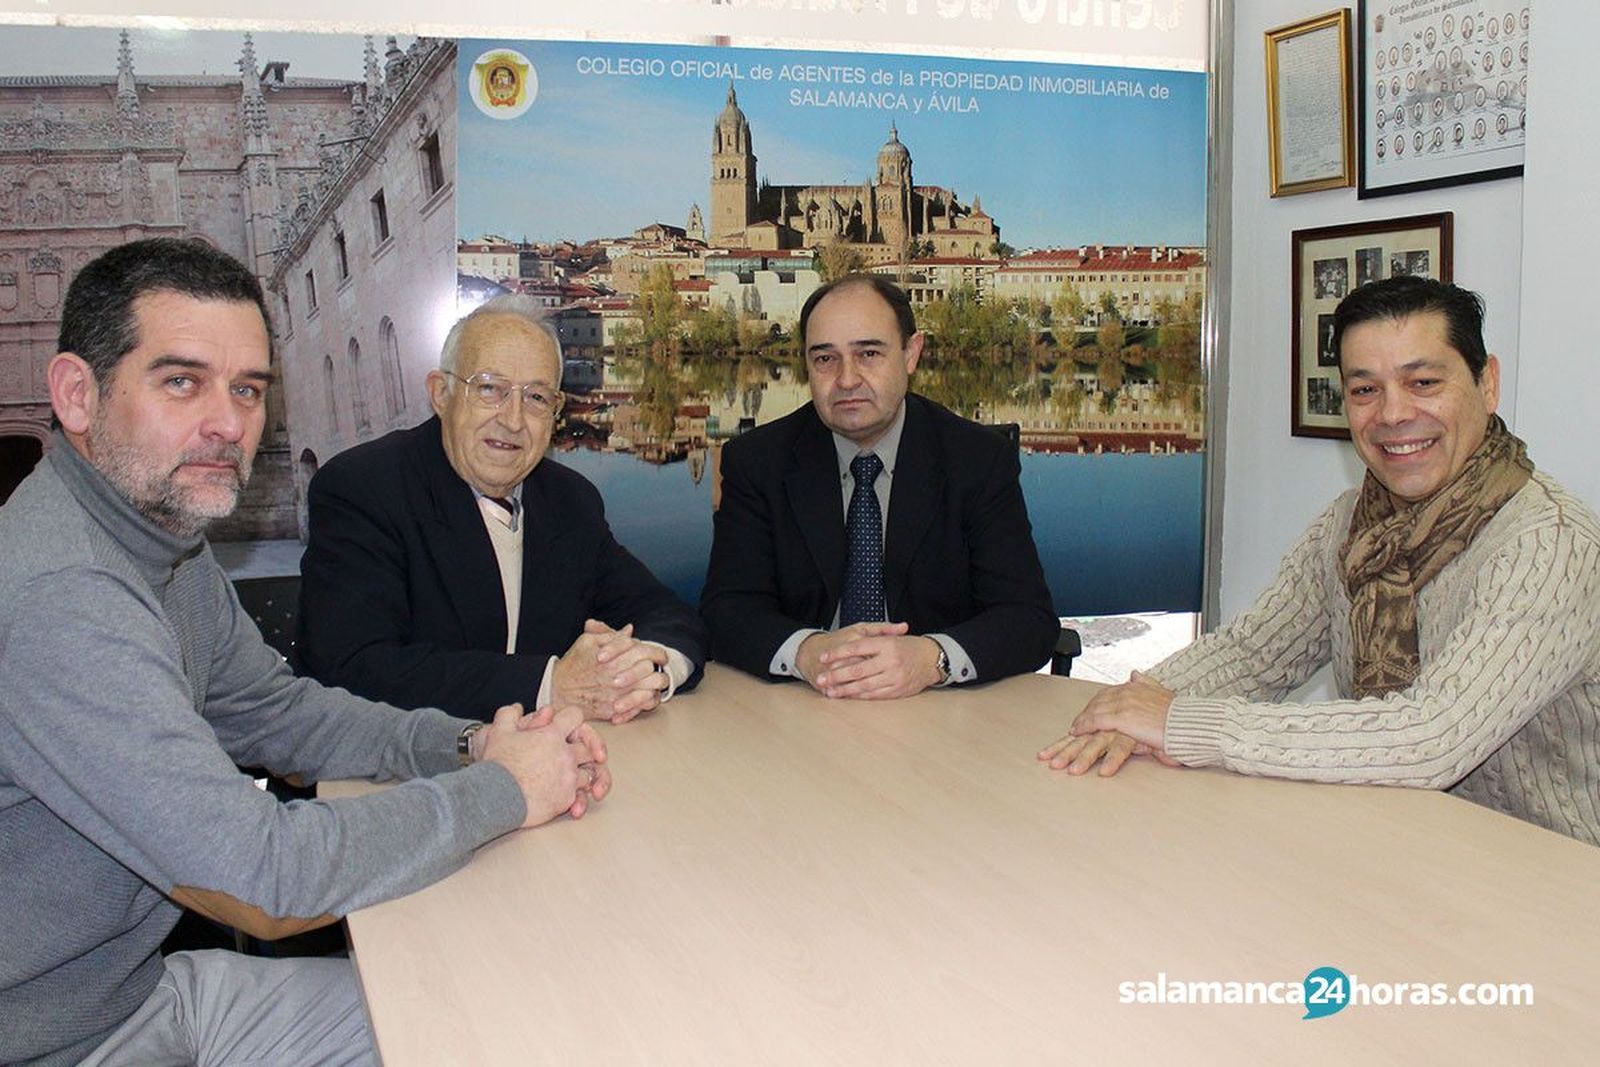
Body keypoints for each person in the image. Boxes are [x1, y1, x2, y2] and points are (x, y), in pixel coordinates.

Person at [0, 239, 610, 1066]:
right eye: (182, 381)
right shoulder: (62, 597)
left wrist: (466, 742)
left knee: (490, 1015)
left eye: (247, 389)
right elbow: (264, 880)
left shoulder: (161, 540)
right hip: (53, 1041)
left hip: (135, 996)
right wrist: (503, 788)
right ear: (77, 394)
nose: (228, 423)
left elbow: (276, 712)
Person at [1041, 276, 1600, 847]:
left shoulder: (1549, 542)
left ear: (1487, 385)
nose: (1394, 413)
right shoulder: (1351, 521)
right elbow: (1255, 655)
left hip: (1553, 875)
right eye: (1365, 391)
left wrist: (1179, 723)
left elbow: (1434, 735)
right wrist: (1126, 709)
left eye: (1424, 382)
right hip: (1397, 841)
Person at [297, 293, 707, 723]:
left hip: (552, 758)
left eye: (536, 398)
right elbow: (351, 667)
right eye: (490, 388)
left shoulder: (570, 501)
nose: (513, 420)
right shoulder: (364, 487)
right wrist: (552, 686)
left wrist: (648, 669)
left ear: (556, 412)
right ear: (441, 393)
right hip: (401, 769)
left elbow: (665, 613)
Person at [701, 274, 1058, 700]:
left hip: (941, 710)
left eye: (868, 353)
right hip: (802, 704)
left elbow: (1028, 618)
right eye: (825, 359)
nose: (847, 379)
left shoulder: (977, 459)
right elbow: (727, 609)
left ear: (912, 353)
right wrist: (807, 651)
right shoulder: (758, 461)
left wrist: (932, 660)